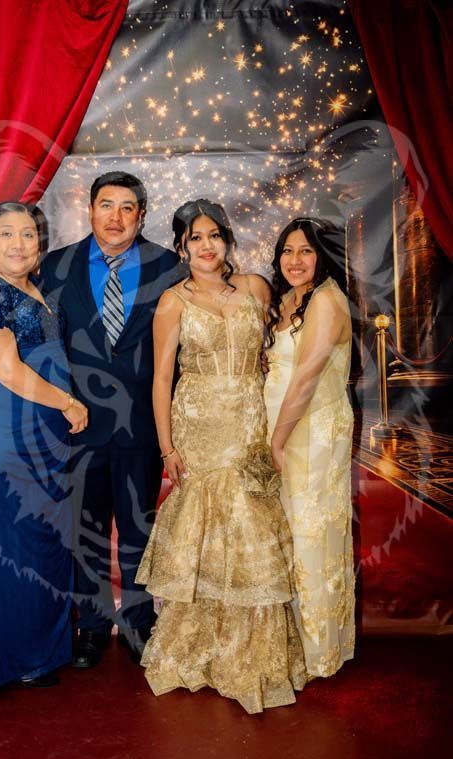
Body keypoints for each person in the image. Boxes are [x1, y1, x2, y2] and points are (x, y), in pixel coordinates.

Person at [136, 199, 306, 714]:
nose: (206, 246)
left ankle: (253, 654)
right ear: (182, 247)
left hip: (251, 419)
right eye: (195, 238)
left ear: (226, 240)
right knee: (208, 532)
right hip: (199, 423)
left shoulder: (257, 287)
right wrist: (167, 446)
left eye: (214, 235)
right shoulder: (171, 303)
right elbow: (162, 378)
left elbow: (280, 351)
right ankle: (202, 649)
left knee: (252, 526)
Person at [41, 172, 185, 667]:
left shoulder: (169, 267)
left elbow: (181, 353)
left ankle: (139, 623)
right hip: (77, 426)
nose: (116, 217)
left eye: (128, 207)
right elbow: (45, 350)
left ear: (141, 215)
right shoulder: (55, 268)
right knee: (86, 530)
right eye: (107, 205)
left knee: (139, 527)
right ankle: (93, 625)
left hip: (142, 425)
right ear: (90, 210)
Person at [0, 202, 88, 688]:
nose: (17, 243)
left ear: (40, 243)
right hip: (5, 431)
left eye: (28, 234)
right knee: (10, 543)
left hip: (43, 432)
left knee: (43, 541)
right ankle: (9, 659)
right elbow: (8, 371)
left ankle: (41, 653)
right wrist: (69, 403)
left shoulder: (34, 287)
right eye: (5, 234)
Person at [264, 217, 355, 679]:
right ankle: (295, 641)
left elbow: (305, 378)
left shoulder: (326, 301)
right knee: (291, 537)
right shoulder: (287, 301)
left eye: (305, 251)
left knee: (312, 536)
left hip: (312, 433)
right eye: (287, 251)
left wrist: (277, 441)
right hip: (285, 429)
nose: (295, 261)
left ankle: (319, 650)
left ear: (322, 255)